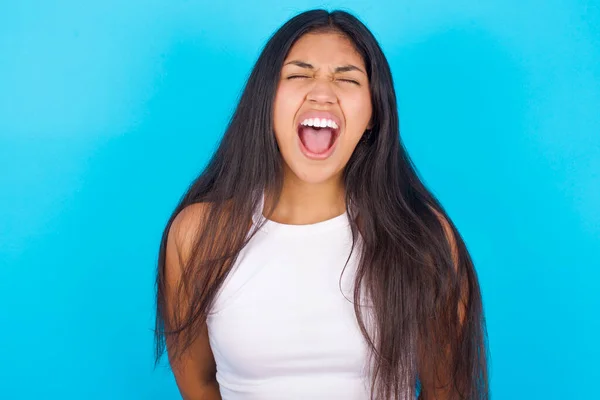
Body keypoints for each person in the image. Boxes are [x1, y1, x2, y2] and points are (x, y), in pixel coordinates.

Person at [153, 9, 489, 400]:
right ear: (266, 103)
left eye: (346, 79)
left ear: (372, 114)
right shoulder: (197, 235)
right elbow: (199, 384)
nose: (322, 92)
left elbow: (446, 391)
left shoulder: (422, 238)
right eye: (299, 74)